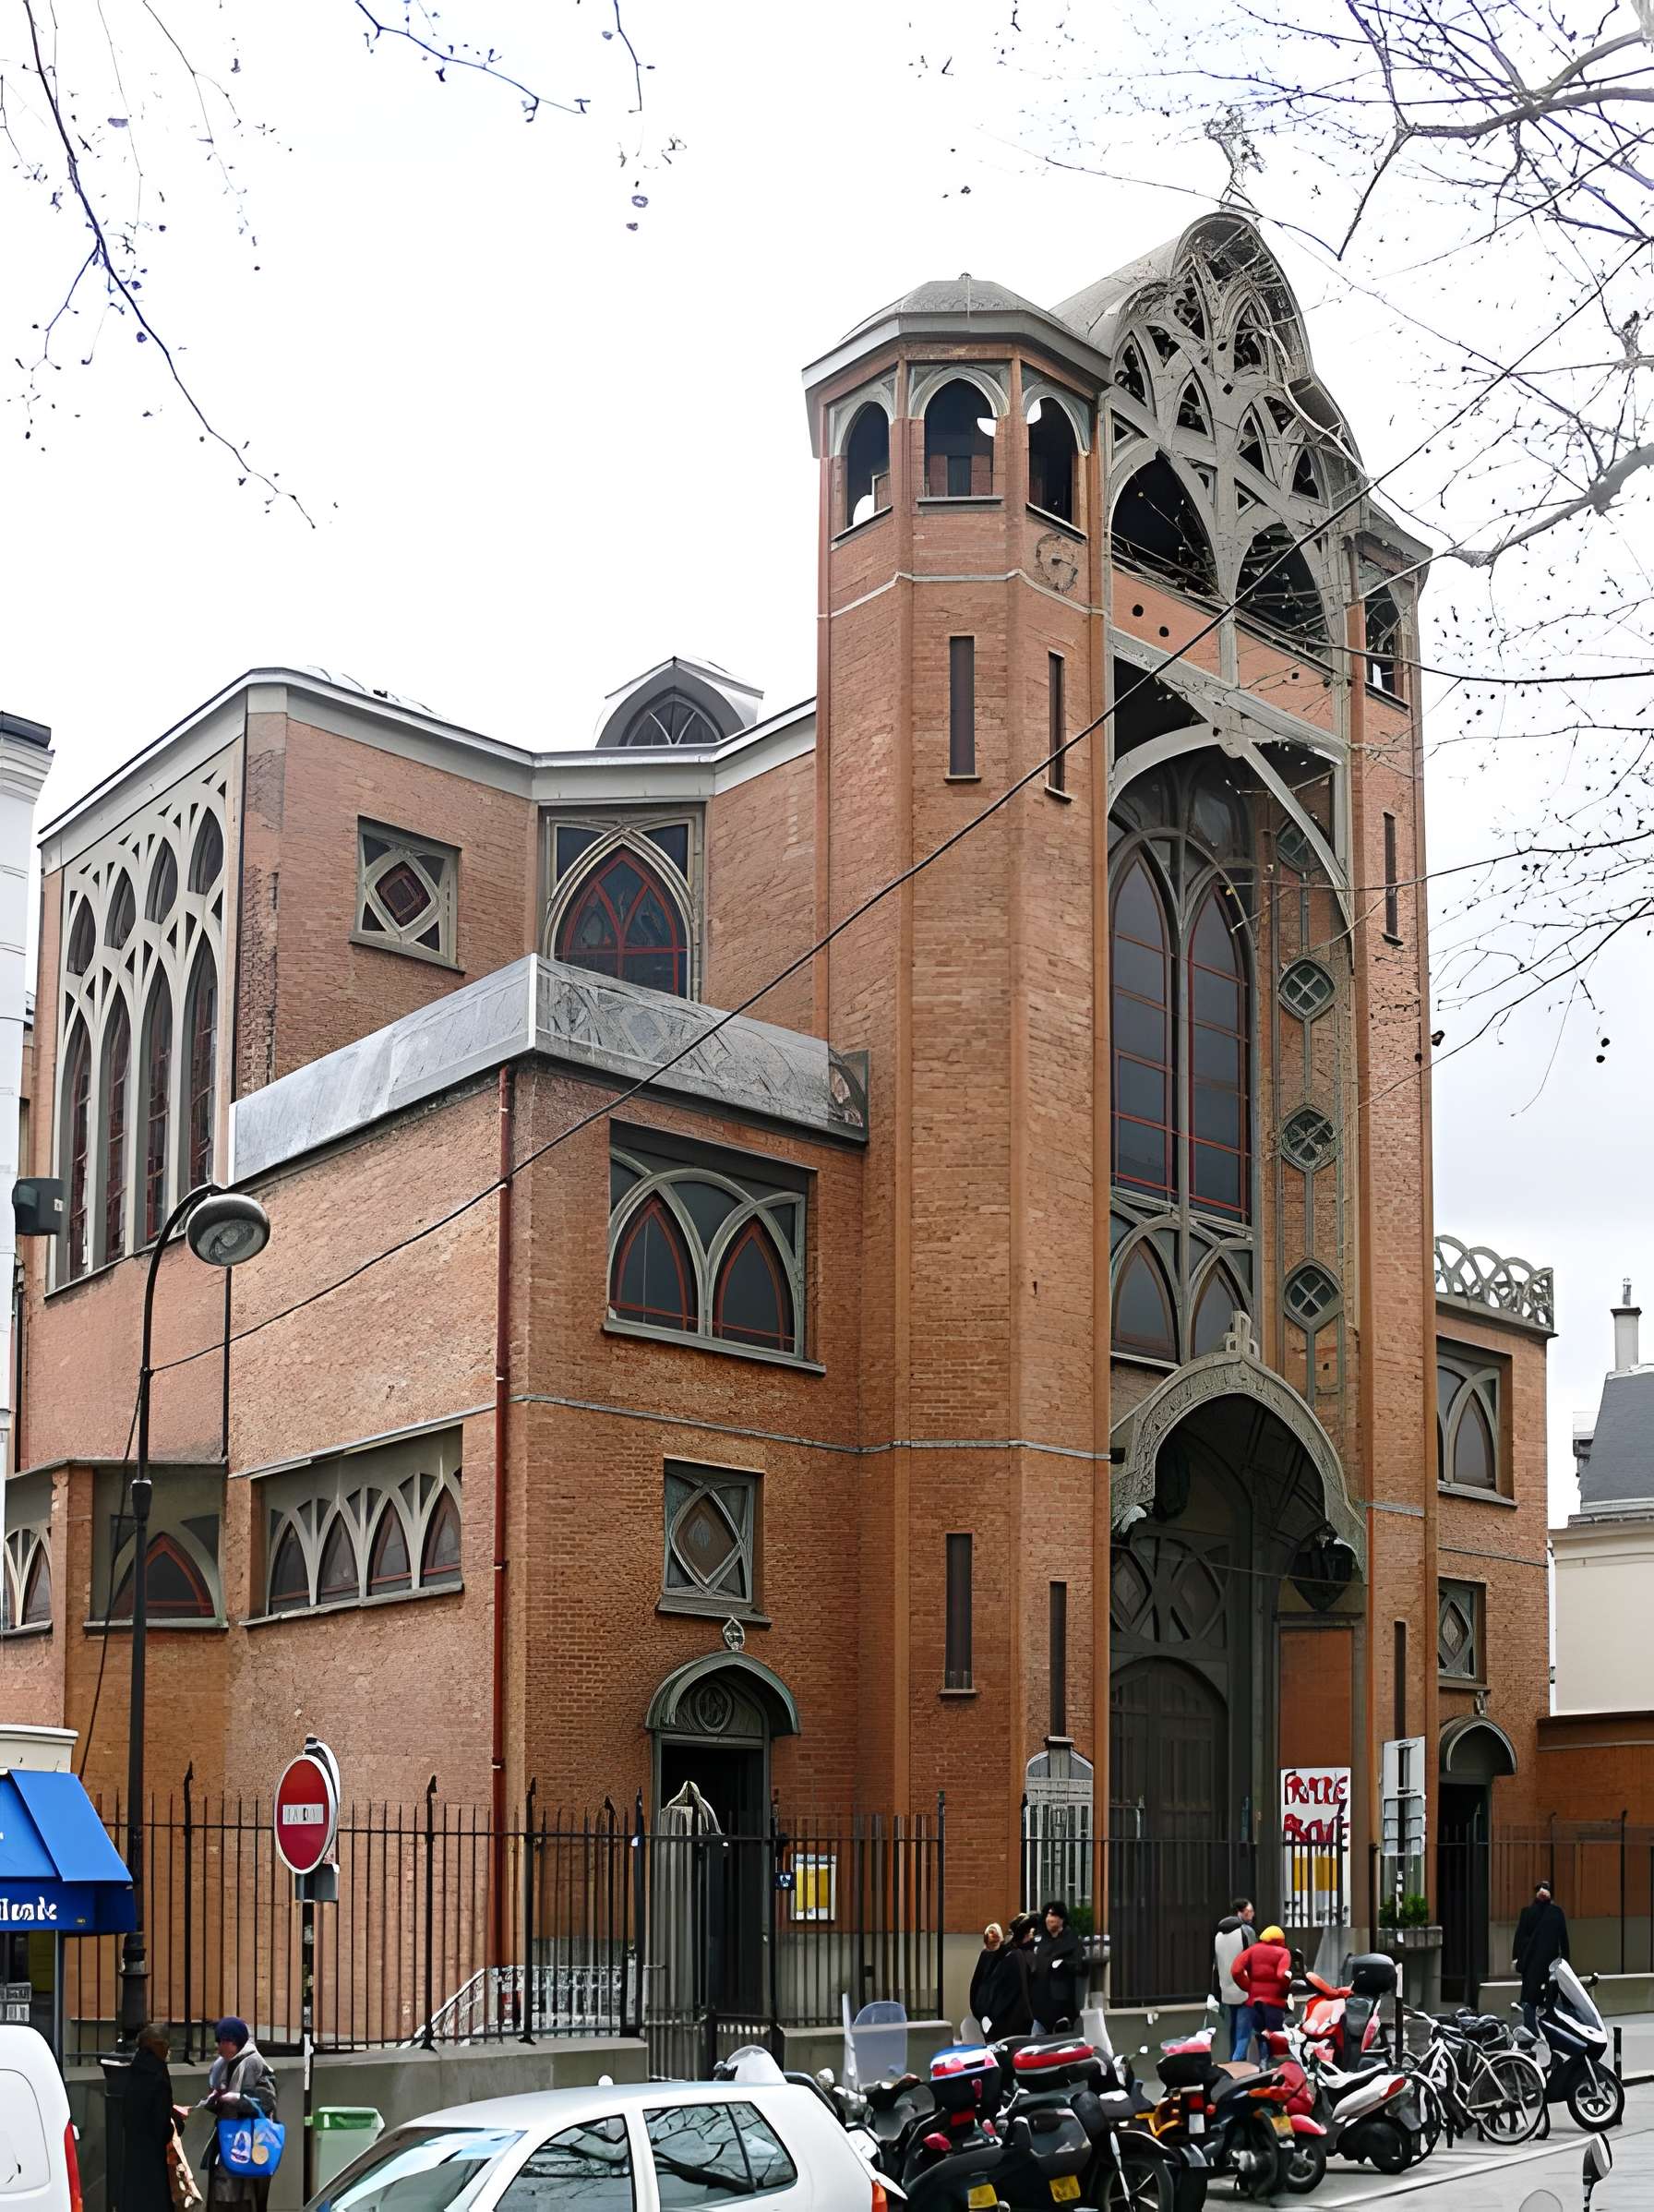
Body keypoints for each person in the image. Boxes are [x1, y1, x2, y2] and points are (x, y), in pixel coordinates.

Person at [199, 2017, 279, 2212]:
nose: (218, 2048)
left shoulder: (254, 2063)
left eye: (221, 2042)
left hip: (248, 2143)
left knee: (241, 2199)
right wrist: (215, 2101)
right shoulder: (223, 2064)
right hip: (229, 2141)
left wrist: (237, 2099)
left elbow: (267, 2101)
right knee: (224, 2195)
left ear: (233, 2041)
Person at [124, 2024, 188, 2212]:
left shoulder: (137, 2068)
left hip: (135, 2152)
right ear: (159, 2045)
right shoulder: (158, 2073)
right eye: (167, 2044)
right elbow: (160, 2121)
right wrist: (175, 2125)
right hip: (153, 2155)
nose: (169, 2050)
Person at [1514, 1880, 1570, 2036]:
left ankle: (1532, 2032)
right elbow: (1564, 1940)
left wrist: (1517, 1959)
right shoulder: (1557, 1912)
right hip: (1549, 1964)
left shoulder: (1527, 1912)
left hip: (1532, 1964)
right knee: (1549, 1998)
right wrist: (1566, 1962)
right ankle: (1549, 2029)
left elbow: (1518, 1937)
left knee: (1530, 1999)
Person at [1229, 1921, 1293, 2050]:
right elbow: (1282, 1975)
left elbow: (1236, 1970)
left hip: (1253, 2001)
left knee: (1260, 2035)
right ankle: (1274, 2065)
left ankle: (1262, 2065)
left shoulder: (1253, 1950)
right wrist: (1286, 1992)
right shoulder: (1283, 1953)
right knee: (1275, 2037)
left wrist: (1247, 1986)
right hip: (1274, 2003)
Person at [1030, 1898, 1085, 2036]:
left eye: (1053, 1915)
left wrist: (1063, 1965)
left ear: (1062, 1919)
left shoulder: (1072, 1941)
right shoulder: (1041, 1942)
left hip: (1062, 2011)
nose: (1049, 1919)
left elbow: (1079, 1965)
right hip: (1039, 2009)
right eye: (1047, 1915)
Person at [1213, 1897, 1258, 2062]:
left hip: (1226, 1991)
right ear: (1241, 1913)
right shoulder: (1246, 1932)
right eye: (1249, 1912)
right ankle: (1236, 2070)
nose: (1252, 1915)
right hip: (1245, 1990)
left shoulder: (1218, 1935)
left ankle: (1232, 2068)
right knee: (1243, 2034)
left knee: (1232, 2032)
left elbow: (1216, 1965)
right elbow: (1255, 1959)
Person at [990, 1913, 1037, 2038]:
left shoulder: (1006, 1953)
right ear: (1027, 1934)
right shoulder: (1023, 1956)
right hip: (1019, 2019)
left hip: (1006, 2019)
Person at [970, 1921, 1006, 2031]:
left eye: (995, 1933)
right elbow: (977, 1982)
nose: (993, 1935)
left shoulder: (1005, 1955)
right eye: (990, 1932)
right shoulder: (984, 1955)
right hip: (983, 2004)